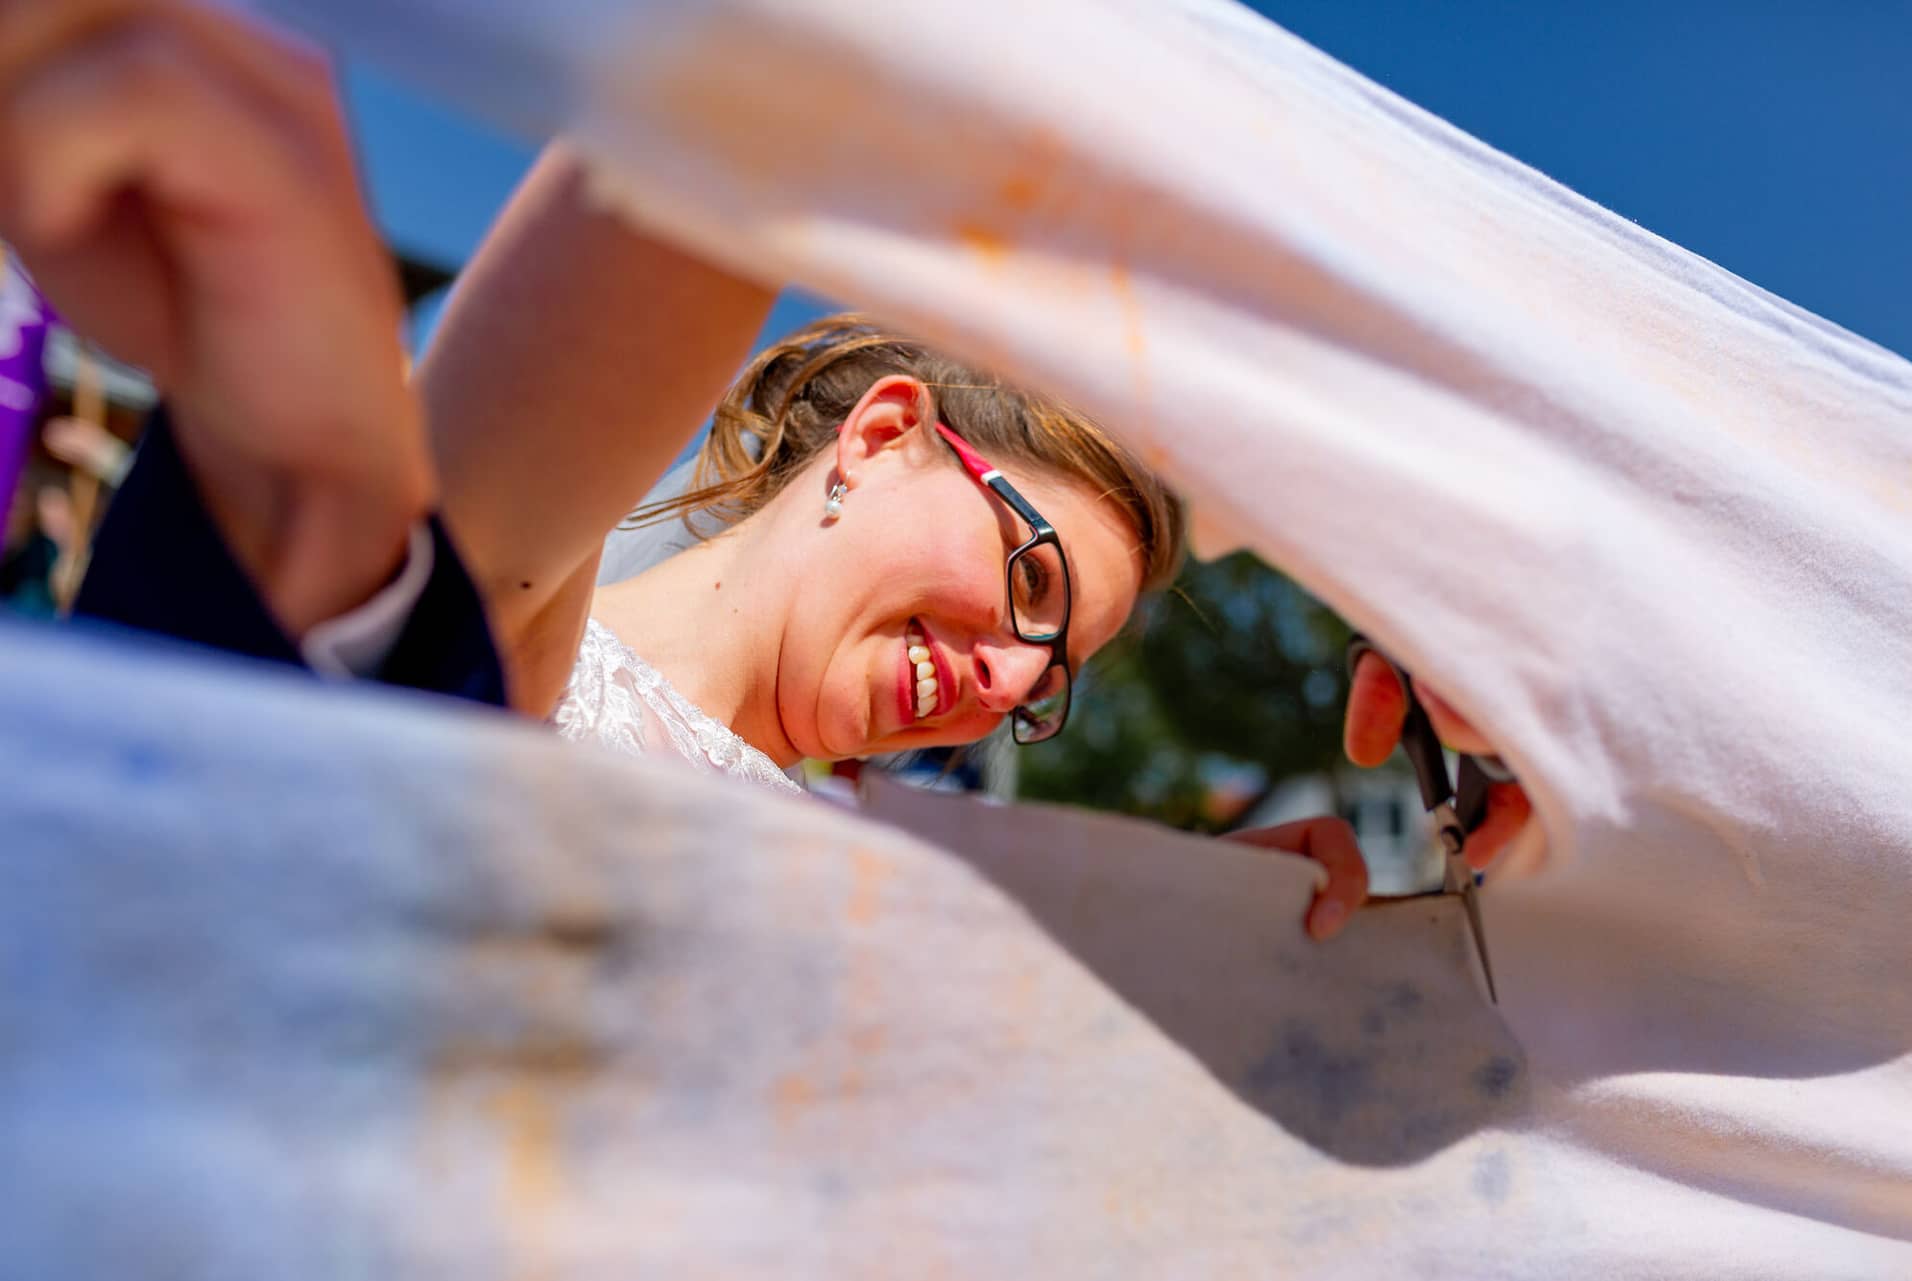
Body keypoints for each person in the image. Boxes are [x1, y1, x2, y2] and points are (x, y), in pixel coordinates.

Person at [0, 0, 1528, 937]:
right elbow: (752, 104)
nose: (1009, 678)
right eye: (1032, 582)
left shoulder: (924, 891)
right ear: (883, 435)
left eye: (1050, 679)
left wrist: (1229, 932)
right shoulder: (510, 632)